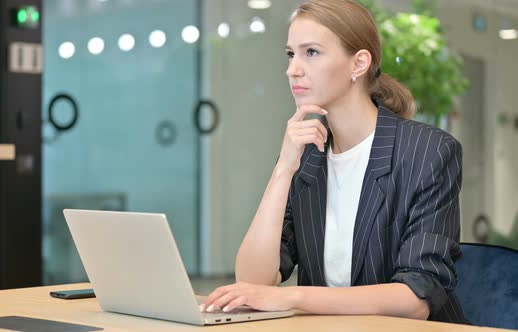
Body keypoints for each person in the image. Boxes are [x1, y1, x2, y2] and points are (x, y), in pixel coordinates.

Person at [200, 0, 469, 324]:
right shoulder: (307, 154)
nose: (293, 69)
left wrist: (292, 296)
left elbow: (415, 297)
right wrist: (283, 169)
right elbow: (254, 282)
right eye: (290, 54)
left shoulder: (429, 151)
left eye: (311, 52)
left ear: (359, 64)